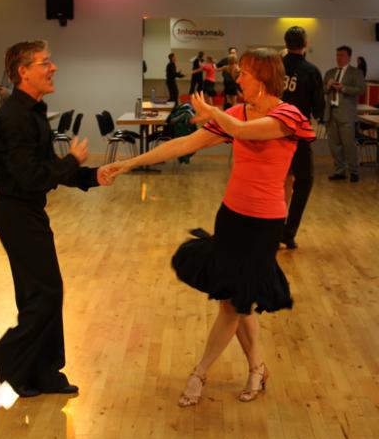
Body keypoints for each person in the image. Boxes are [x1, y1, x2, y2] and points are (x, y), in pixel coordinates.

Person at [106, 48, 314, 406]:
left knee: (232, 305)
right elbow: (184, 143)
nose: (237, 78)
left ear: (264, 77)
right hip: (231, 218)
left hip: (265, 225)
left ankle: (200, 372)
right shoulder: (236, 113)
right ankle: (257, 368)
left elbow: (246, 132)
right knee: (236, 299)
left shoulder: (288, 115)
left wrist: (214, 112)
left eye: (244, 73)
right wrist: (129, 164)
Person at [0, 40, 113, 398]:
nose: (53, 67)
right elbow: (30, 178)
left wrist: (91, 176)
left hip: (26, 211)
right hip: (16, 213)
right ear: (23, 72)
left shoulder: (33, 112)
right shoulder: (14, 117)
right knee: (46, 293)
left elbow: (45, 168)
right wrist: (71, 161)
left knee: (38, 295)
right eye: (45, 63)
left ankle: (44, 373)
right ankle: (11, 363)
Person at [281, 26, 325, 249]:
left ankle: (270, 228)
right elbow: (318, 108)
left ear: (285, 43)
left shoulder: (275, 67)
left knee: (277, 181)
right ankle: (288, 233)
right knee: (304, 180)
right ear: (305, 44)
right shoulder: (311, 71)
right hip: (297, 133)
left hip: (271, 131)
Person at [324, 45, 366, 183]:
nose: (339, 58)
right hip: (331, 113)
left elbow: (361, 90)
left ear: (349, 57)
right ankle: (339, 171)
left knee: (349, 145)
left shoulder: (356, 72)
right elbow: (322, 90)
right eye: (337, 55)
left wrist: (344, 88)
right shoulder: (330, 72)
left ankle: (354, 171)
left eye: (342, 55)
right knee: (334, 145)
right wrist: (327, 86)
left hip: (347, 114)